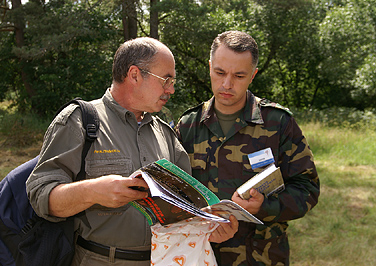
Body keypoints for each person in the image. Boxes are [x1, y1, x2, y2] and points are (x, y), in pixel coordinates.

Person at [26, 37, 237, 266]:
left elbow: (184, 210)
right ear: (135, 75)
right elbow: (40, 197)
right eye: (166, 80)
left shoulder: (166, 134)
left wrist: (208, 227)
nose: (172, 90)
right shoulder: (79, 122)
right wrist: (93, 191)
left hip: (162, 259)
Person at [175, 31, 320, 266]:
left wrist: (265, 207)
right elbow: (174, 195)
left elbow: (307, 189)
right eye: (219, 72)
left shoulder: (278, 123)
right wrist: (201, 222)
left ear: (253, 75)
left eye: (239, 75)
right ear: (209, 67)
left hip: (260, 257)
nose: (227, 84)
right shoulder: (189, 125)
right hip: (200, 254)